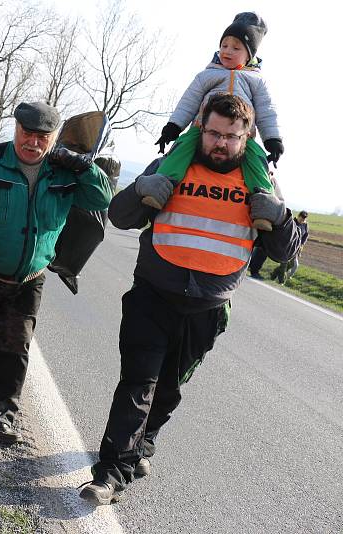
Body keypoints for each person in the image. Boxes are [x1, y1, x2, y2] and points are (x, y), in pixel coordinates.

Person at [79, 94, 300, 505]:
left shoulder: (260, 180)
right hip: (152, 296)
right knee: (137, 383)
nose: (221, 143)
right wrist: (140, 189)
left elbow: (287, 251)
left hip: (207, 309)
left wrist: (282, 216)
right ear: (200, 125)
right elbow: (121, 216)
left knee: (169, 388)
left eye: (231, 137)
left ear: (247, 136)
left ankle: (144, 443)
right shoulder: (172, 164)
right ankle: (110, 474)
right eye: (214, 133)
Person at [0, 101, 113, 445]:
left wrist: (84, 167)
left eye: (43, 136)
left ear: (54, 137)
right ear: (16, 129)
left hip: (29, 279)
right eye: (27, 133)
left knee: (14, 347)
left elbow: (102, 199)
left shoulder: (65, 171)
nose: (33, 142)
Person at [154, 12, 281, 201]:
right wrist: (172, 128)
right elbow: (188, 102)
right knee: (180, 150)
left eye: (236, 48)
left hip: (241, 136)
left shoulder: (256, 81)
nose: (227, 51)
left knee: (257, 160)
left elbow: (266, 111)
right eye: (224, 45)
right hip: (203, 128)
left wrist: (272, 140)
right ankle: (159, 187)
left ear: (249, 55)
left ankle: (264, 202)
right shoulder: (207, 75)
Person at [271, 210, 309, 283]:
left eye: (304, 220)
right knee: (284, 263)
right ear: (298, 216)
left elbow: (306, 235)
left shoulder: (305, 225)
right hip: (287, 246)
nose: (302, 221)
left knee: (292, 265)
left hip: (296, 248)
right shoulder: (292, 222)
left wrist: (302, 244)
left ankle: (274, 274)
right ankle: (281, 281)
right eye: (301, 219)